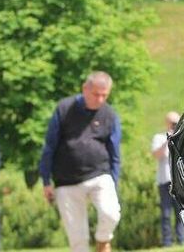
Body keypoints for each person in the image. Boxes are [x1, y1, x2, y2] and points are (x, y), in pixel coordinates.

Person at [38, 72, 122, 252]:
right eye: (96, 94)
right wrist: (46, 180)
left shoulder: (110, 114)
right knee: (78, 240)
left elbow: (115, 152)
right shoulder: (64, 108)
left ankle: (102, 241)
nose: (100, 99)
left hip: (100, 174)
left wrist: (114, 181)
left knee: (111, 214)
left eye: (104, 95)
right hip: (65, 181)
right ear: (85, 89)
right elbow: (49, 146)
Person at [150, 112, 184, 247]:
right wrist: (167, 139)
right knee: (165, 213)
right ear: (167, 123)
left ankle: (181, 241)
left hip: (178, 180)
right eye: (173, 123)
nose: (175, 126)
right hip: (164, 181)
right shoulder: (159, 138)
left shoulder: (181, 137)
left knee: (180, 212)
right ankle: (167, 242)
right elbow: (157, 155)